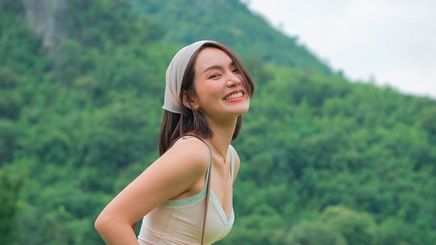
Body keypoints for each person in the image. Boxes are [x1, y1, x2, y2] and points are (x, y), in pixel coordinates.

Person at [95, 40, 255, 244]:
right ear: (190, 99)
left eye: (235, 70)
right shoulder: (193, 153)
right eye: (215, 75)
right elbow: (111, 221)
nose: (233, 80)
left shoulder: (231, 159)